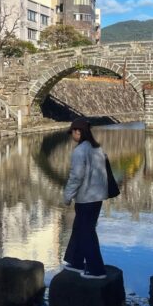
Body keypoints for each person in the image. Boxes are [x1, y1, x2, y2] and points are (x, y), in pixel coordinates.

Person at [62, 118, 109, 279]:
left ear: (78, 132)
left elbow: (76, 176)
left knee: (86, 232)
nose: (72, 135)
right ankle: (75, 262)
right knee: (80, 229)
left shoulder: (80, 151)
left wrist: (67, 196)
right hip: (97, 197)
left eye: (73, 132)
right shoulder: (97, 149)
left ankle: (96, 269)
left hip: (86, 198)